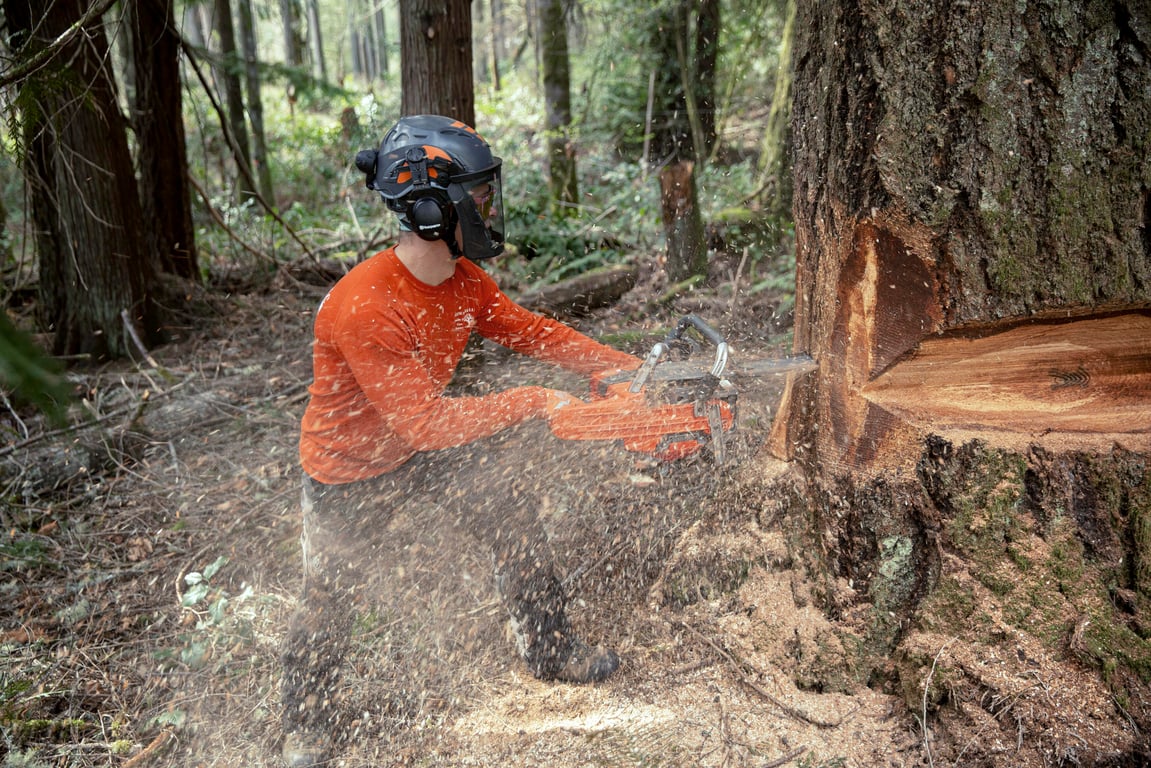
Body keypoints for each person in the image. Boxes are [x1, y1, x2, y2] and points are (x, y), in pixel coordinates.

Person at [279, 114, 639, 767]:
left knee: (512, 518)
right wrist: (535, 400)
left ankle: (550, 649)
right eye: (478, 197)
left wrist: (624, 371)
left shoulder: (464, 281)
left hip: (424, 447)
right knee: (331, 593)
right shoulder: (365, 305)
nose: (488, 208)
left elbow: (534, 333)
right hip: (347, 468)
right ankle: (307, 726)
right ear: (429, 207)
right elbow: (422, 421)